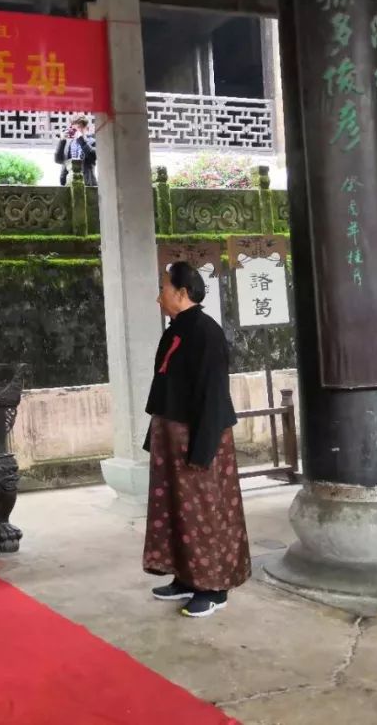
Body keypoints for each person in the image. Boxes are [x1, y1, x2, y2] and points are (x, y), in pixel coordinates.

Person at [142, 261, 250, 618]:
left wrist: (203, 450)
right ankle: (187, 577)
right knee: (176, 510)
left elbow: (213, 394)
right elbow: (166, 387)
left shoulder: (206, 332)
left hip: (199, 438)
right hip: (172, 438)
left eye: (164, 290)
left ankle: (213, 587)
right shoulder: (177, 330)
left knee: (204, 511)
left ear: (182, 293)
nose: (159, 298)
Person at [54, 116, 97, 187]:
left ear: (86, 128)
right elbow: (58, 160)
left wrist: (81, 140)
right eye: (74, 129)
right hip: (68, 181)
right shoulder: (67, 143)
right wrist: (62, 141)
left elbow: (92, 157)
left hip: (87, 182)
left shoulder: (92, 142)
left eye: (79, 128)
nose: (76, 131)